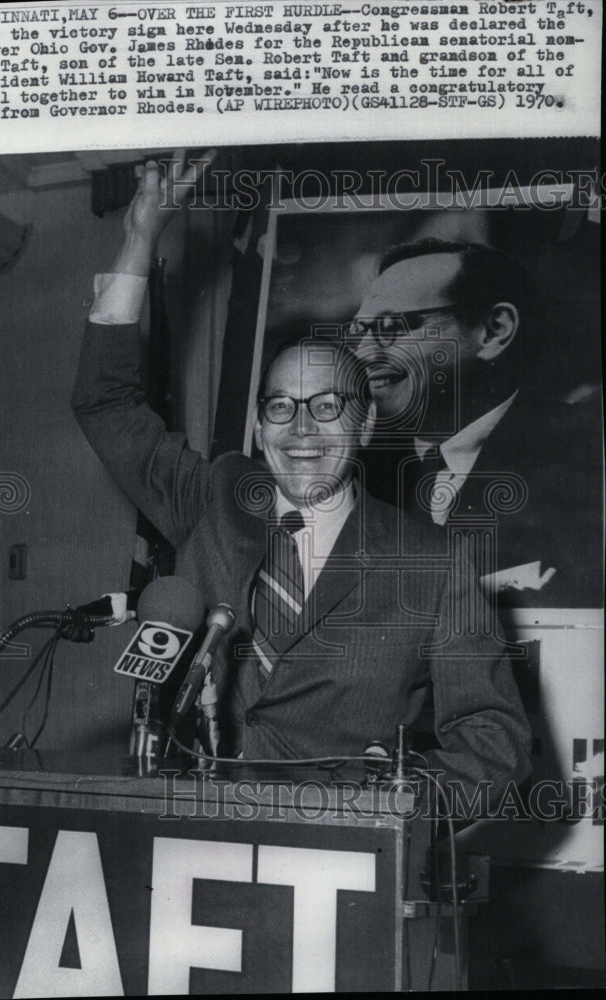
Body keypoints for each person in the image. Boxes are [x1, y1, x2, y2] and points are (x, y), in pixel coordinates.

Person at [72, 154, 531, 799]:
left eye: (327, 406)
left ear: (366, 427)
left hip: (338, 862)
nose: (302, 429)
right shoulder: (213, 499)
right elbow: (106, 404)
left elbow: (494, 740)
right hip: (186, 829)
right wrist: (139, 241)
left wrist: (391, 796)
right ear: (260, 428)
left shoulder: (432, 565)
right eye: (280, 406)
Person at [355, 239, 602, 607]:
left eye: (391, 326)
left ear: (492, 331)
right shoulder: (352, 475)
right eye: (359, 332)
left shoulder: (583, 458)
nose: (363, 354)